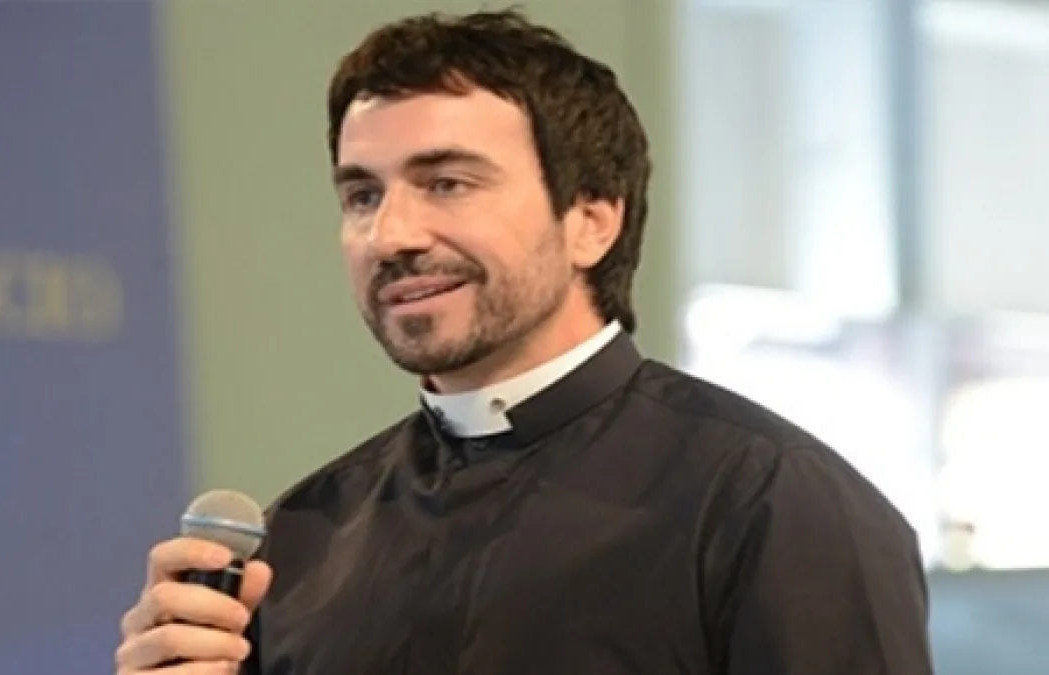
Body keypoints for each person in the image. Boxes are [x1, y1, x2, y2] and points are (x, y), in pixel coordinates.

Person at [115, 9, 934, 675]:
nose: (391, 234)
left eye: (447, 183)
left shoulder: (770, 501)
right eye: (363, 194)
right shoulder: (301, 535)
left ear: (591, 221)